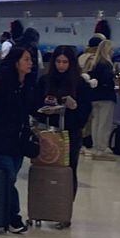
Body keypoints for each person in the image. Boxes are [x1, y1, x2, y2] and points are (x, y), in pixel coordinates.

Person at [0, 47, 40, 234]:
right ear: (16, 62)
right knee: (8, 176)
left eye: (31, 60)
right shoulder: (1, 84)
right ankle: (14, 218)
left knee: (9, 179)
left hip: (18, 140)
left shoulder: (28, 86)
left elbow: (33, 107)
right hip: (1, 138)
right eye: (26, 59)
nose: (30, 63)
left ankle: (2, 215)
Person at [36, 46, 92, 196]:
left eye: (65, 62)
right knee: (46, 167)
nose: (61, 65)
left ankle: (65, 204)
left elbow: (86, 109)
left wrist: (74, 107)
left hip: (71, 133)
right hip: (48, 131)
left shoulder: (79, 83)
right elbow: (34, 104)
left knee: (69, 168)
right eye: (58, 61)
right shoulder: (45, 81)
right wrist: (45, 108)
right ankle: (46, 202)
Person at [86, 40, 117, 160]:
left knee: (96, 122)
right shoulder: (108, 64)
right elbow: (108, 81)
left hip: (95, 96)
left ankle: (96, 146)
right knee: (105, 123)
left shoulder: (95, 63)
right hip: (106, 97)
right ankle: (102, 147)